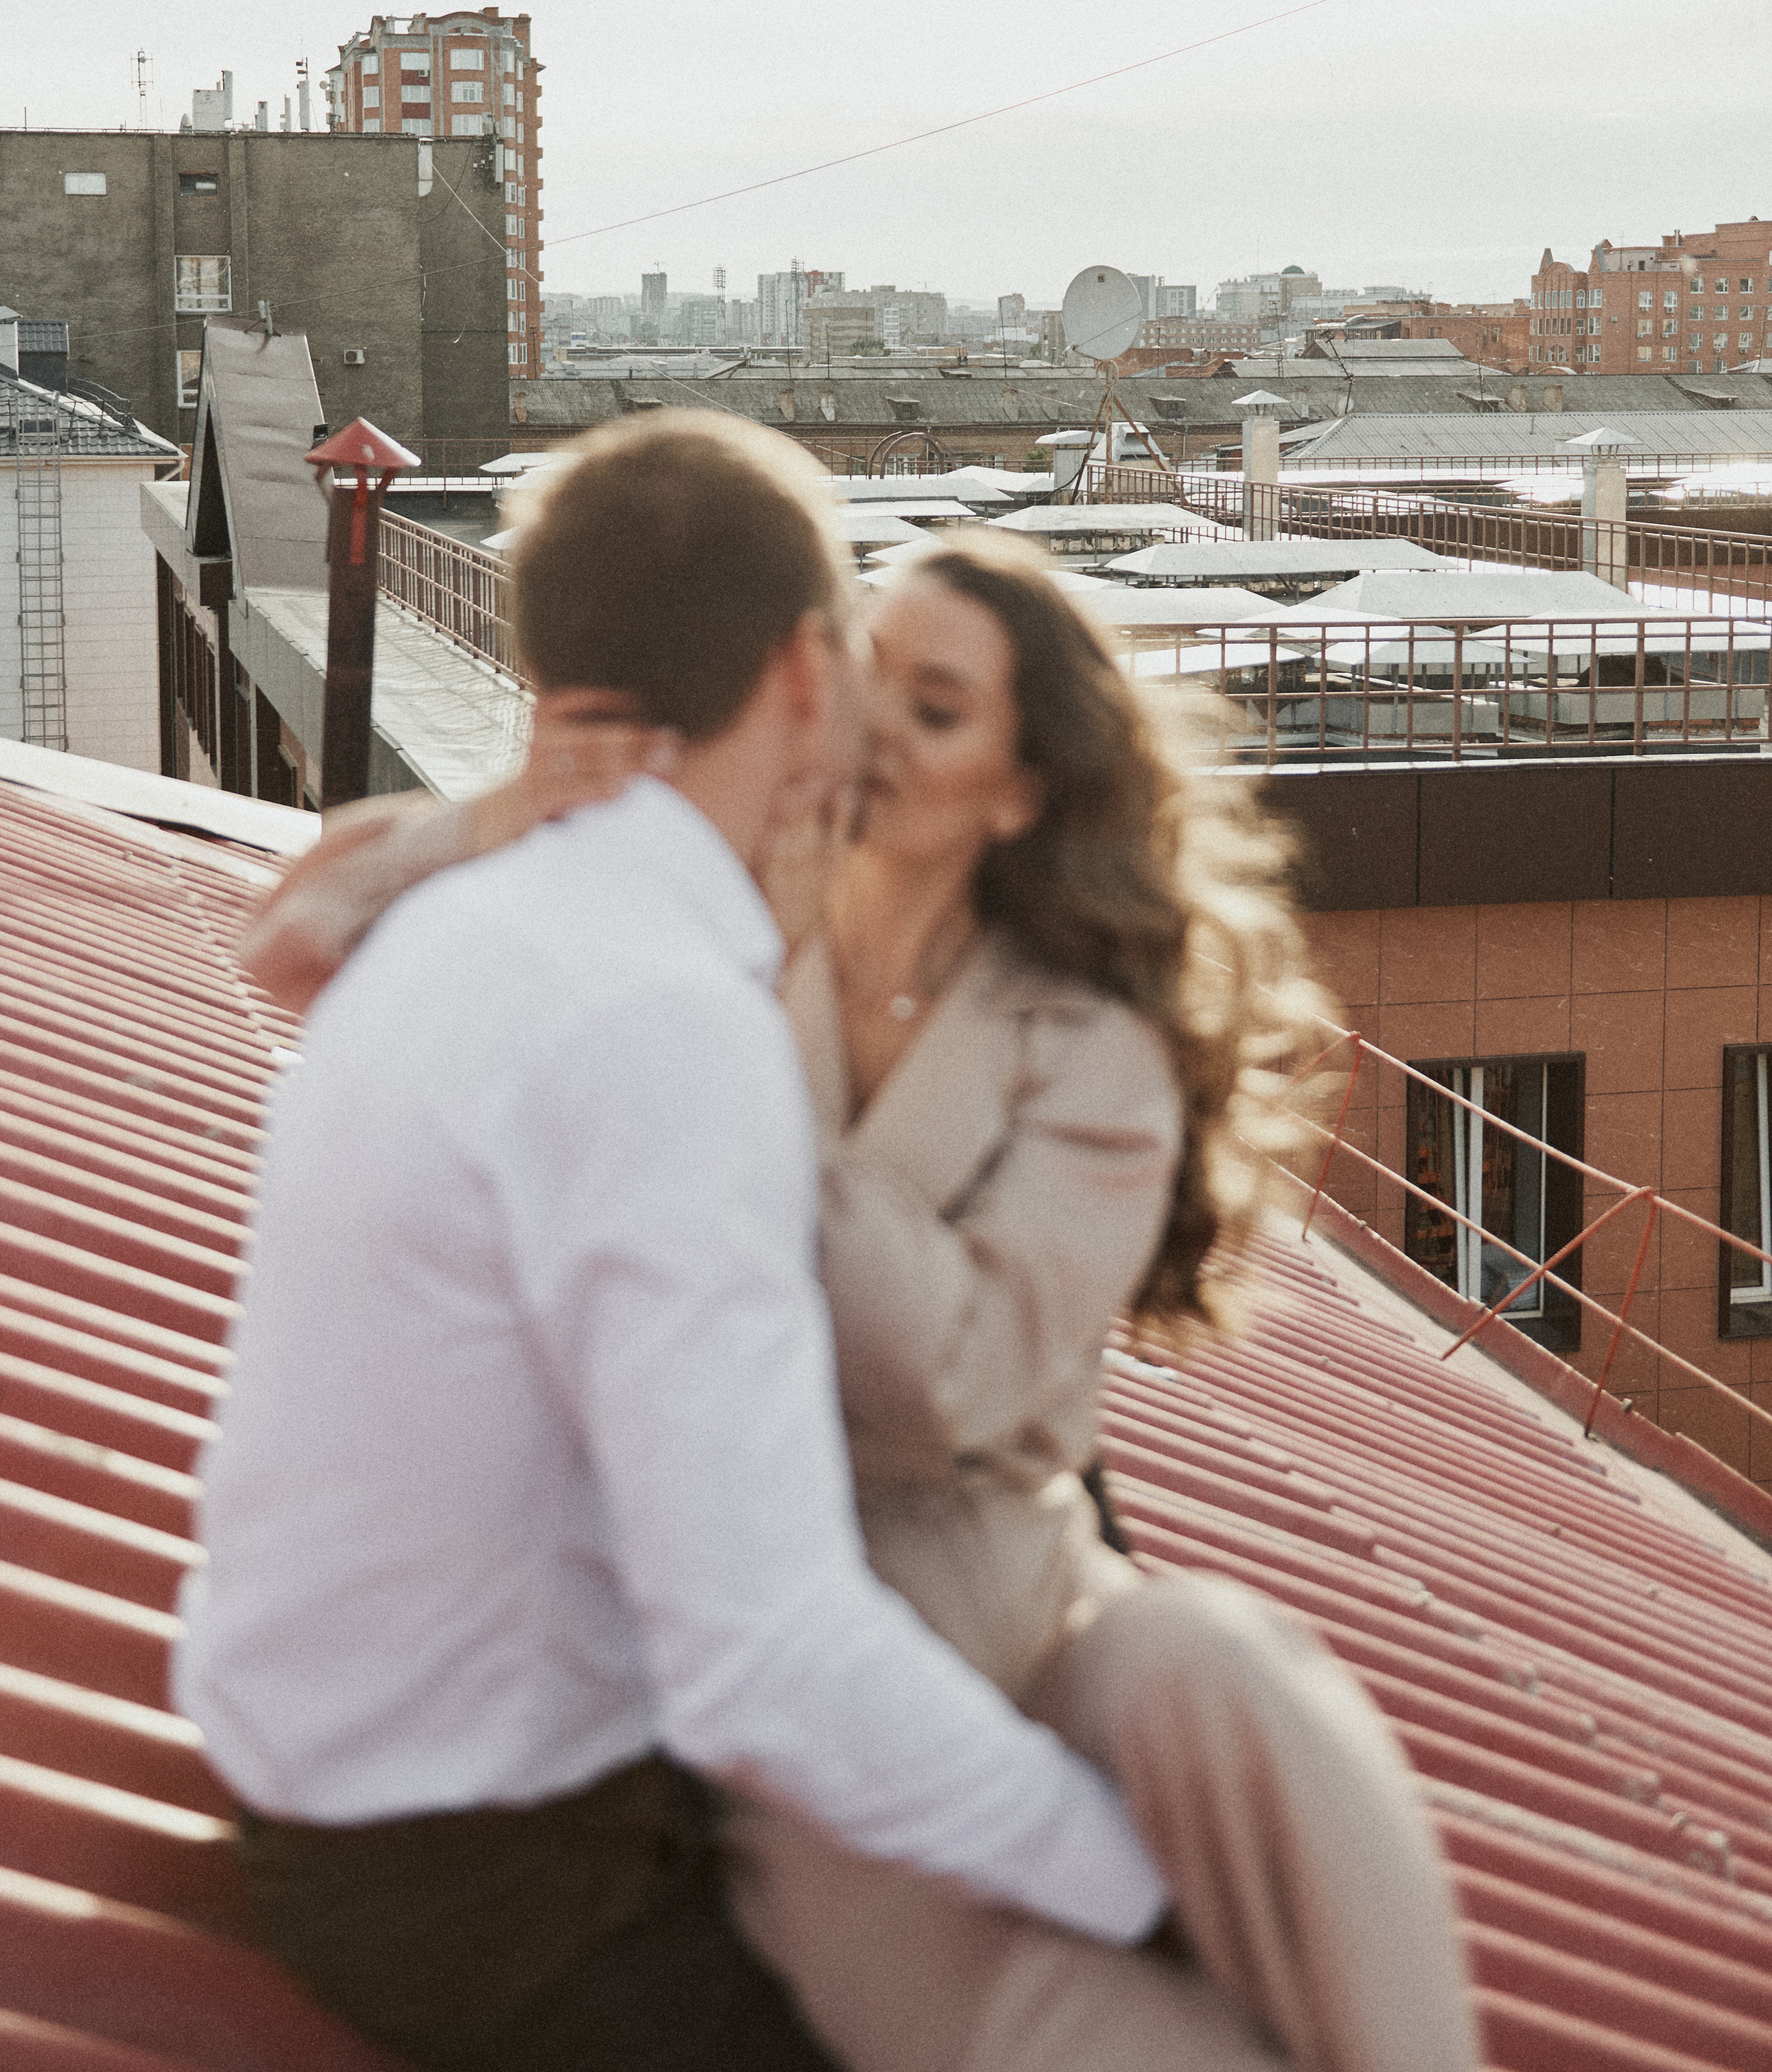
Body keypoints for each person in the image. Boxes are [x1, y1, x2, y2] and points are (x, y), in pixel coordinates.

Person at [243, 493, 1479, 2072]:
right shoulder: (704, 915)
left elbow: (949, 1389)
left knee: (1227, 1675)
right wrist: (511, 810)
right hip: (807, 1636)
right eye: (865, 667)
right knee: (1003, 2013)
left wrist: (724, 1050)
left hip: (1027, 1593)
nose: (875, 723)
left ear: (1019, 790)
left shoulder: (1085, 1052)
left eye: (938, 704)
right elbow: (297, 941)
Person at [176, 414, 1179, 2072]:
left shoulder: (491, 926)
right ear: (801, 670)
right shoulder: (654, 1015)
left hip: (357, 1764)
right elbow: (763, 1658)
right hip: (487, 1877)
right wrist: (1135, 1886)